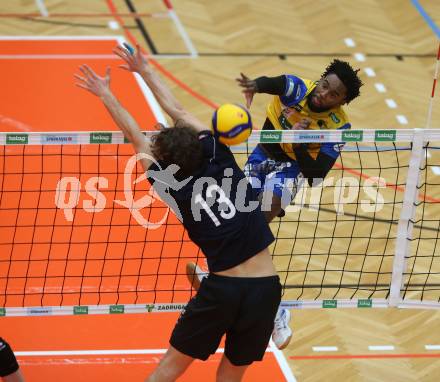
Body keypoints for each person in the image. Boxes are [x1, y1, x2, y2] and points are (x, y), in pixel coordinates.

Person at [75, 45, 281, 382]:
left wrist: (105, 93)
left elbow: (135, 137)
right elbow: (177, 109)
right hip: (265, 289)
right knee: (230, 378)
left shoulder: (173, 189)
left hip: (222, 292)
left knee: (165, 374)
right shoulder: (219, 155)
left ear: (166, 162)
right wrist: (145, 70)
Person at [186, 59, 364, 350]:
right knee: (241, 226)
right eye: (324, 85)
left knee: (253, 222)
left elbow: (316, 175)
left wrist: (301, 142)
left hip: (291, 169)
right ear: (319, 80)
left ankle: (226, 279)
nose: (324, 94)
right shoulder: (299, 89)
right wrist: (256, 86)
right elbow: (276, 82)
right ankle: (268, 306)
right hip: (260, 159)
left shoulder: (338, 126)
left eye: (334, 94)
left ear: (342, 101)